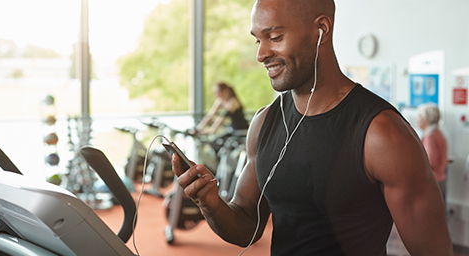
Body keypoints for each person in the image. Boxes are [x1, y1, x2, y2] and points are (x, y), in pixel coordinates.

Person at [171, 0, 453, 255]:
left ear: (321, 29)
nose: (261, 54)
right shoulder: (264, 123)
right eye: (258, 40)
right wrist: (210, 203)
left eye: (275, 37)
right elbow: (247, 225)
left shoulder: (383, 135)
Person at [417, 103, 449, 198]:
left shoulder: (430, 136)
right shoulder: (438, 133)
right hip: (440, 177)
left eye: (419, 117)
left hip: (433, 180)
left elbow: (430, 161)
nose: (417, 120)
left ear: (427, 119)